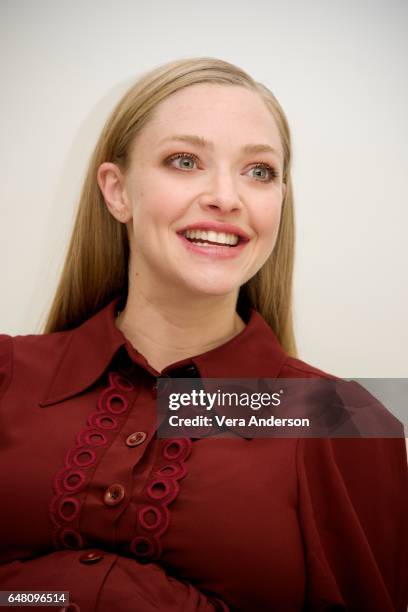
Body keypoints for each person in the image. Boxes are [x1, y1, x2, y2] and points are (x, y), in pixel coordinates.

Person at [0, 57, 407, 612]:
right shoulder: (7, 375)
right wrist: (43, 595)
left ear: (280, 202)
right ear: (117, 191)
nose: (227, 197)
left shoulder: (345, 419)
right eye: (185, 160)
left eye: (259, 171)